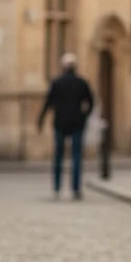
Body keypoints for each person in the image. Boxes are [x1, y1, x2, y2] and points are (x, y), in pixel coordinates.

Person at [38, 53, 94, 200]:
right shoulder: (82, 83)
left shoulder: (57, 83)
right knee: (76, 157)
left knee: (58, 156)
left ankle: (57, 187)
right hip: (76, 123)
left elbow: (48, 103)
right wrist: (84, 116)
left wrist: (41, 120)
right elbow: (91, 102)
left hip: (60, 123)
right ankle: (75, 188)